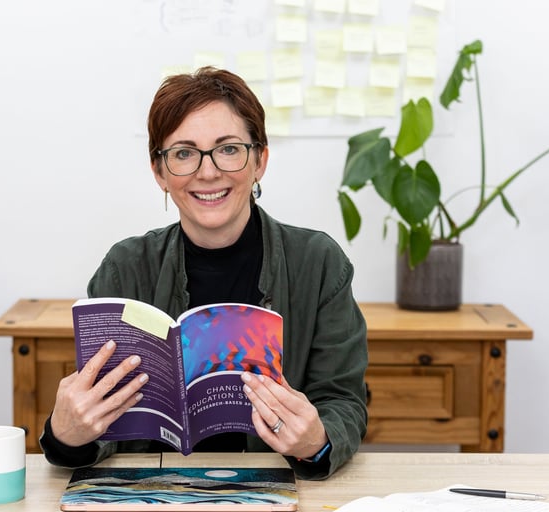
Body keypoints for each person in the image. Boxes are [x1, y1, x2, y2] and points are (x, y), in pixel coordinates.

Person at [39, 66, 368, 480]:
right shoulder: (125, 268)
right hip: (153, 491)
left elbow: (343, 401)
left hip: (275, 488)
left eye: (228, 149)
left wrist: (317, 440)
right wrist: (67, 435)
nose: (208, 172)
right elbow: (100, 414)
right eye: (183, 153)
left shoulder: (318, 262)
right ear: (159, 172)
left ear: (260, 161)